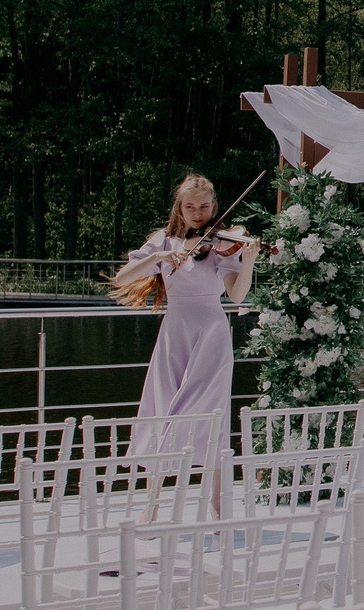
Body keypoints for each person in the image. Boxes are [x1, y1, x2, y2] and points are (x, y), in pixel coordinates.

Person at [111, 172, 258, 485]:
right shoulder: (164, 241)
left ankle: (217, 501)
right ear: (180, 208)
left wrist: (248, 262)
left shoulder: (222, 243)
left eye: (204, 207)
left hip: (212, 336)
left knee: (211, 414)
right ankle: (152, 501)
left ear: (214, 206)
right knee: (162, 409)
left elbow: (236, 295)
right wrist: (160, 255)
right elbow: (123, 277)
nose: (197, 214)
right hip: (174, 335)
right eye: (190, 207)